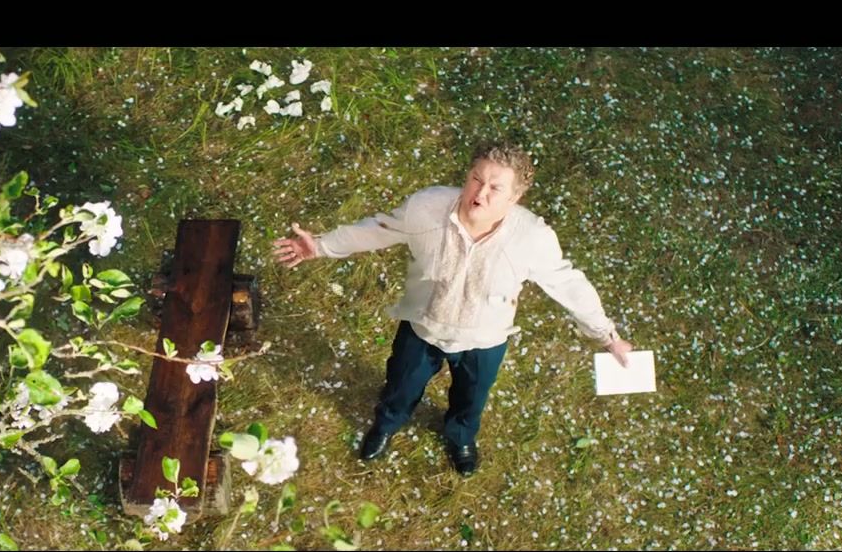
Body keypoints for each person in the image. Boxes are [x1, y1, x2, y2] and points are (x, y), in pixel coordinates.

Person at [271, 142, 633, 476]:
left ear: (515, 197)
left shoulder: (532, 239)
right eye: (476, 179)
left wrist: (607, 336)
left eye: (495, 188)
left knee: (470, 398)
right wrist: (320, 246)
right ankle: (386, 424)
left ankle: (460, 437)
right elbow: (379, 229)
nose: (480, 193)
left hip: (484, 340)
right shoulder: (426, 208)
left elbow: (569, 285)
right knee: (400, 384)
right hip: (423, 327)